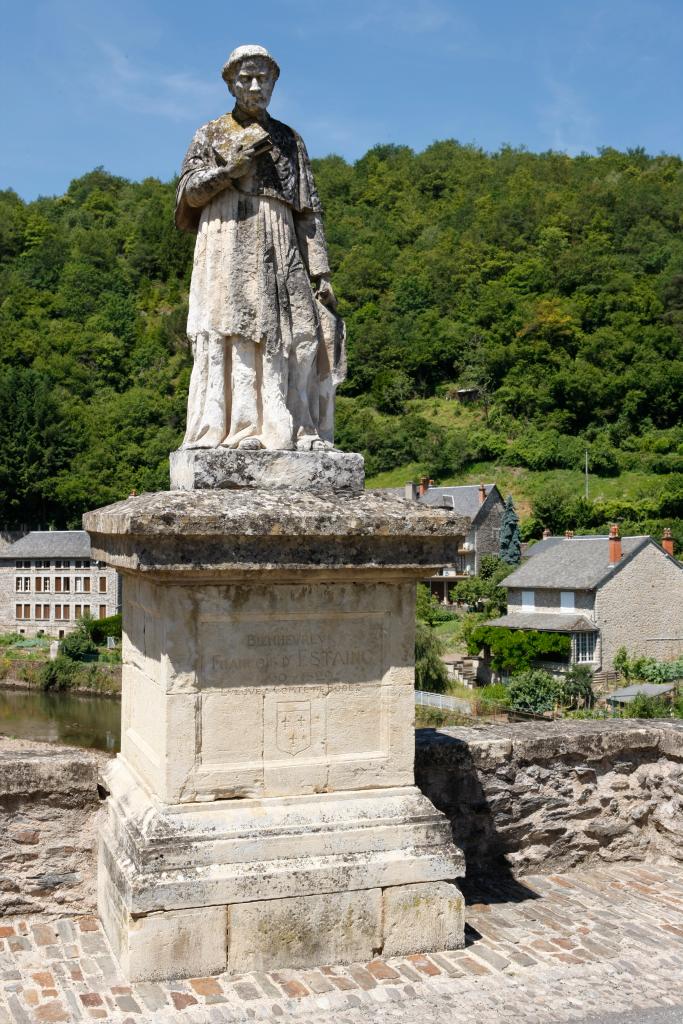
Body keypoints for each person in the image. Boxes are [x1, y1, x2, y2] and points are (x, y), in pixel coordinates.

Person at [175, 44, 344, 451]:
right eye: (246, 78)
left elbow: (309, 209)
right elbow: (186, 196)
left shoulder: (289, 139)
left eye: (263, 77)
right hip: (228, 235)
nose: (255, 86)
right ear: (231, 83)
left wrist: (320, 270)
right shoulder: (211, 133)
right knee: (238, 326)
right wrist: (227, 172)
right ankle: (240, 427)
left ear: (274, 83)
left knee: (303, 331)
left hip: (280, 237)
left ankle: (296, 427)